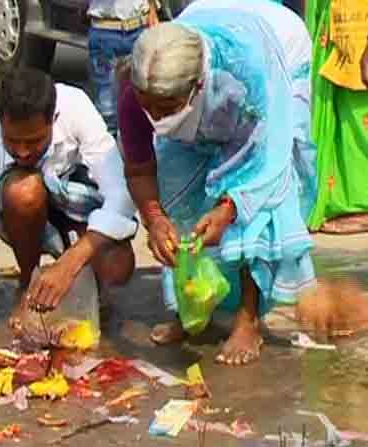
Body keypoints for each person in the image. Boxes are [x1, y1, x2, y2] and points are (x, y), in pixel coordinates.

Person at [117, 0, 317, 365]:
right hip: (210, 37)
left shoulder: (248, 77)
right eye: (150, 108)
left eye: (166, 109)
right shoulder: (138, 92)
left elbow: (263, 163)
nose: (156, 118)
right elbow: (140, 169)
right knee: (176, 190)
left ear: (197, 86)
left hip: (278, 52)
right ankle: (192, 309)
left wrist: (228, 207)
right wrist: (155, 218)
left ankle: (248, 316)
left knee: (257, 200)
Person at [0, 68, 137, 329]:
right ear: (0, 121)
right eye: (13, 141)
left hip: (75, 207)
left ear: (53, 118)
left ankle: (87, 287)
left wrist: (71, 262)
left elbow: (120, 194)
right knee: (24, 191)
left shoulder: (76, 107)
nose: (22, 151)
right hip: (20, 209)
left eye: (33, 141)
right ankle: (28, 281)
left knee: (117, 266)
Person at [307, 0, 368, 233]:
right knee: (342, 122)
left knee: (360, 119)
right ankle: (347, 205)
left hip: (360, 28)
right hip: (339, 26)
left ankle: (363, 209)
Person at [87, 0, 159, 136]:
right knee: (107, 105)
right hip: (105, 29)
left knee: (144, 97)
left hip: (140, 26)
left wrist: (152, 9)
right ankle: (109, 150)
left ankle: (141, 149)